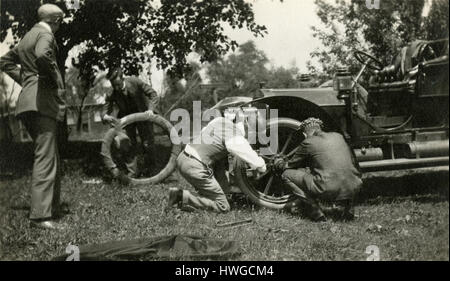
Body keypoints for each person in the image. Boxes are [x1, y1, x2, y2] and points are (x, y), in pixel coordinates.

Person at [0, 4, 67, 230]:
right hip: (42, 102)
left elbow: (4, 62)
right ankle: (40, 217)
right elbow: (42, 55)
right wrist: (54, 79)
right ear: (56, 20)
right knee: (46, 158)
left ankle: (51, 208)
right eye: (60, 22)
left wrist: (28, 80)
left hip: (27, 103)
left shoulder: (27, 36)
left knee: (50, 155)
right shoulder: (45, 34)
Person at [168, 108, 267, 213]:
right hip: (195, 166)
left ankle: (207, 196)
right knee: (223, 206)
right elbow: (252, 158)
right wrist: (262, 165)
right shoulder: (235, 136)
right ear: (247, 126)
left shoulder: (219, 121)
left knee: (220, 162)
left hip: (183, 157)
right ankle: (180, 196)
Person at [276, 118, 362, 222]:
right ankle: (349, 211)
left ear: (304, 134)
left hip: (328, 188)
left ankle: (315, 212)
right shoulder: (338, 136)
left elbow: (290, 165)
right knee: (345, 171)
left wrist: (279, 163)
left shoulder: (308, 141)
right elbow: (352, 162)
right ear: (320, 128)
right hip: (355, 186)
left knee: (286, 174)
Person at [102, 67, 159, 178]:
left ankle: (151, 172)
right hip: (126, 119)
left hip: (143, 115)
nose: (117, 88)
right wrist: (104, 115)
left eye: (118, 84)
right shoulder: (112, 92)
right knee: (126, 143)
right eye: (114, 85)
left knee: (147, 144)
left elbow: (153, 94)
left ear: (122, 79)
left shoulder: (134, 81)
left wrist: (151, 109)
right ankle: (133, 173)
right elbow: (106, 107)